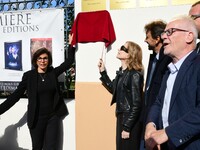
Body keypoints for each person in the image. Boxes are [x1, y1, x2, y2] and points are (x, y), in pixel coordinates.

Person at [0, 34, 75, 150]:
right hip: (36, 119)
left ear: (49, 60)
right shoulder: (29, 76)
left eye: (45, 58)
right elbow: (15, 96)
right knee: (37, 147)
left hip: (52, 118)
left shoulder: (52, 73)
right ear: (35, 60)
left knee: (51, 147)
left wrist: (71, 45)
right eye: (39, 58)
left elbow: (69, 62)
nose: (42, 61)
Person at [145, 15, 200, 150]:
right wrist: (150, 124)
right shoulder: (170, 68)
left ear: (189, 36)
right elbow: (159, 101)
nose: (163, 36)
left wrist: (168, 133)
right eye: (164, 32)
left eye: (170, 32)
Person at [98, 41, 144, 150]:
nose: (119, 49)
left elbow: (137, 104)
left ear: (130, 54)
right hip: (122, 118)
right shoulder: (122, 73)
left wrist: (127, 127)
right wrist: (103, 73)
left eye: (123, 48)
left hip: (129, 119)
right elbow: (113, 89)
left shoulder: (134, 75)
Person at [140, 20, 172, 149]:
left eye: (147, 37)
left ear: (157, 38)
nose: (145, 40)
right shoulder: (153, 59)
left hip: (158, 124)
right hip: (148, 120)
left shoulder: (167, 60)